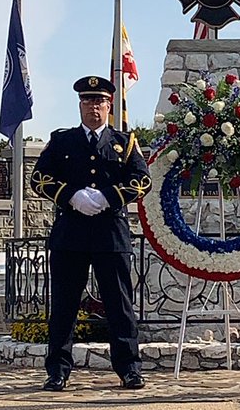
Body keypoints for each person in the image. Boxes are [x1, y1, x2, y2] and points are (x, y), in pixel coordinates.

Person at [30, 75, 152, 392]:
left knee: (120, 306)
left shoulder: (125, 143)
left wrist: (107, 197)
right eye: (87, 101)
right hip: (71, 233)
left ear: (109, 105)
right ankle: (57, 370)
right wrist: (71, 195)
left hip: (110, 233)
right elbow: (39, 177)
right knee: (64, 306)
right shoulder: (62, 141)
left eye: (98, 101)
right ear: (80, 105)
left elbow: (142, 180)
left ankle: (129, 369)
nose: (93, 107)